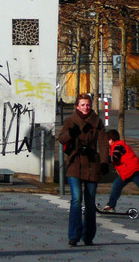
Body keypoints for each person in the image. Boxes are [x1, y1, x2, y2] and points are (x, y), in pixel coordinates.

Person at [56, 93, 109, 247]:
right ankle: (74, 235)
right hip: (75, 163)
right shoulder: (70, 120)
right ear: (77, 106)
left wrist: (105, 162)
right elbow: (61, 138)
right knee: (76, 200)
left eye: (88, 104)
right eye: (83, 104)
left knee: (90, 202)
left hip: (92, 164)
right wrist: (71, 133)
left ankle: (88, 236)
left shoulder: (97, 122)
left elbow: (104, 143)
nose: (86, 107)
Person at [101, 129, 139, 213]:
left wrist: (104, 159)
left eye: (107, 140)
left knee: (116, 186)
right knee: (116, 186)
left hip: (133, 170)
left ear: (111, 140)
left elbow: (115, 158)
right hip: (126, 172)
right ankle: (111, 205)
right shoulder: (116, 146)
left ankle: (111, 205)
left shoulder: (118, 145)